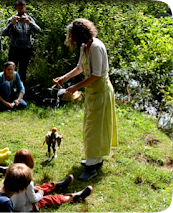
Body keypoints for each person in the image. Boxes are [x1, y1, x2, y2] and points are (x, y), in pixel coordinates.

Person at [53, 18, 118, 181]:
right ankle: (96, 160)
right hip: (93, 92)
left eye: (72, 35)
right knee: (92, 127)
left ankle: (91, 167)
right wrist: (64, 78)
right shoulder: (85, 46)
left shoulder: (96, 47)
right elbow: (80, 68)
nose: (71, 39)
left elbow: (97, 74)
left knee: (95, 129)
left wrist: (76, 86)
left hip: (101, 91)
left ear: (80, 35)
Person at [11, 149, 93, 212]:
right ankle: (72, 197)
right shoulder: (28, 182)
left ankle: (58, 185)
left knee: (39, 187)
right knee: (49, 199)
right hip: (26, 207)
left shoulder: (11, 176)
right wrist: (40, 194)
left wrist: (34, 189)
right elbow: (33, 199)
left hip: (16, 203)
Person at [1, 0, 41, 83]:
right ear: (16, 8)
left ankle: (21, 89)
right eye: (19, 8)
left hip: (26, 49)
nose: (21, 10)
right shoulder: (12, 19)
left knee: (23, 70)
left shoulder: (29, 19)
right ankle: (10, 87)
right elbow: (4, 33)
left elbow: (39, 31)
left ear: (25, 8)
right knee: (11, 68)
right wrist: (11, 24)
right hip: (14, 48)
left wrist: (30, 23)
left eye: (22, 8)